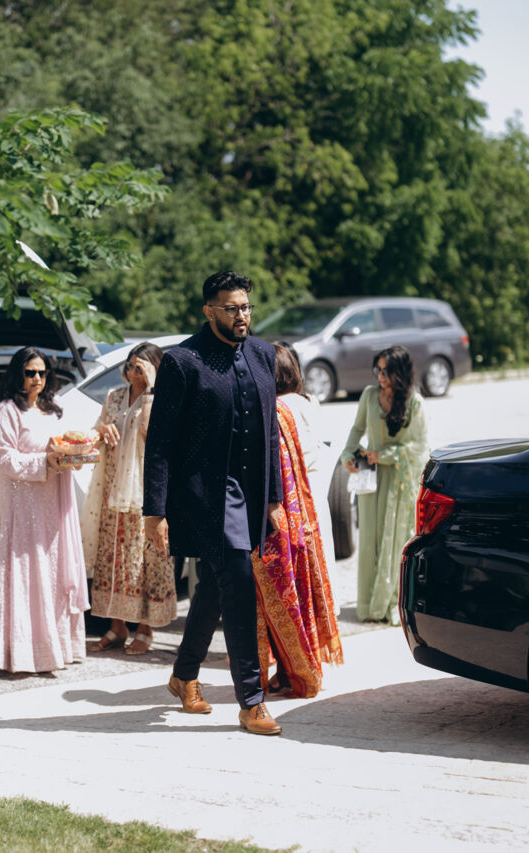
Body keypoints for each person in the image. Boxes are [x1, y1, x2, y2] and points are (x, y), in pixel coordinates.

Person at [143, 270, 285, 736]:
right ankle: (252, 701)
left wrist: (274, 498)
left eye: (246, 307)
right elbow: (160, 442)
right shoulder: (182, 361)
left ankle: (184, 674)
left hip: (250, 492)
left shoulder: (264, 355)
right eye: (231, 308)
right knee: (238, 580)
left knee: (214, 586)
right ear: (209, 311)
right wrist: (155, 511)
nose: (242, 316)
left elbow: (270, 432)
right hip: (205, 495)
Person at [0, 347, 89, 673]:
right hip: (20, 506)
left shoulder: (54, 410)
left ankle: (53, 649)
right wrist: (45, 462)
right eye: (30, 372)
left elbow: (62, 447)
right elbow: (4, 459)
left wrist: (73, 454)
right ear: (17, 374)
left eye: (42, 373)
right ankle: (16, 652)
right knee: (22, 572)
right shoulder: (6, 412)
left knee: (50, 571)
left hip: (51, 504)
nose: (37, 379)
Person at [250, 345, 344, 698]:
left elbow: (275, 465)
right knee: (309, 584)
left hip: (284, 510)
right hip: (308, 501)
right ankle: (302, 664)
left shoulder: (276, 410)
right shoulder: (305, 402)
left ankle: (295, 670)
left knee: (287, 589)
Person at [83, 342, 177, 654]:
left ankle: (146, 628)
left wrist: (150, 389)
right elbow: (97, 432)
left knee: (144, 559)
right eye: (130, 365)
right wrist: (103, 430)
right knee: (113, 556)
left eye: (140, 366)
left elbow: (153, 432)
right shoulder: (114, 396)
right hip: (112, 489)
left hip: (145, 491)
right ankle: (117, 626)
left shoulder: (162, 397)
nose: (132, 371)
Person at [341, 345, 429, 625]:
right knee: (369, 540)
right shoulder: (369, 395)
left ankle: (391, 604)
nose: (380, 376)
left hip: (399, 481)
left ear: (400, 372)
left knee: (395, 541)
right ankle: (369, 606)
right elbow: (357, 429)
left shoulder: (414, 402)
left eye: (386, 371)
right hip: (370, 477)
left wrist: (386, 455)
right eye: (377, 370)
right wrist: (347, 455)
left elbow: (419, 447)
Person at [272, 342, 337, 589]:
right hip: (315, 491)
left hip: (294, 498)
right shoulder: (305, 402)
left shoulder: (277, 408)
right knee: (322, 557)